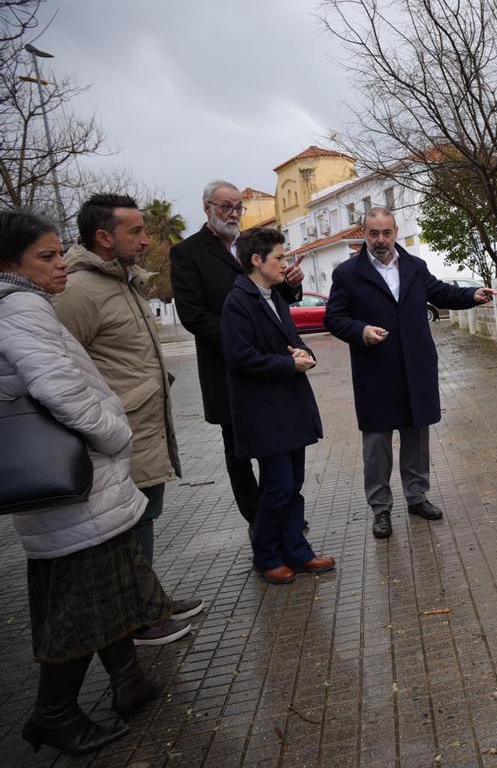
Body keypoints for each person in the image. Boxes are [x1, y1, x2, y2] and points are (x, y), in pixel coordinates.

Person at [0, 211, 171, 756]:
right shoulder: (21, 308)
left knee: (111, 585)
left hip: (80, 489)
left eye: (59, 252)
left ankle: (128, 680)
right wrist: (115, 433)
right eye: (46, 257)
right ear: (10, 264)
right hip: (75, 486)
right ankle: (54, 714)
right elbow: (61, 389)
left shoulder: (24, 305)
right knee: (80, 603)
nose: (61, 265)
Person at [54, 194, 203, 645]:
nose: (145, 240)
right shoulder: (79, 291)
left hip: (144, 426)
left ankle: (146, 600)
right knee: (129, 521)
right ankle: (137, 617)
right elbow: (61, 368)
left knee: (144, 513)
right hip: (115, 432)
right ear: (104, 237)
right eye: (135, 231)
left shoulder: (122, 280)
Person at [324, 207, 496, 538]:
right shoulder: (347, 273)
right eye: (374, 233)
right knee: (377, 445)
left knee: (417, 438)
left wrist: (472, 295)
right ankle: (381, 509)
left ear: (396, 232)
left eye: (386, 233)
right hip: (375, 372)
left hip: (416, 368)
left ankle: (417, 498)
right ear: (364, 234)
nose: (380, 240)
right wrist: (361, 331)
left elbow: (442, 292)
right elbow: (334, 317)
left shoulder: (415, 266)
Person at [170, 180, 305, 533]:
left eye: (238, 207)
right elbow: (192, 315)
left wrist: (291, 283)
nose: (233, 213)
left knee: (278, 444)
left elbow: (275, 296)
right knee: (239, 452)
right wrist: (241, 338)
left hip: (270, 368)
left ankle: (282, 514)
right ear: (207, 208)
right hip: (226, 371)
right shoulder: (187, 253)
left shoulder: (251, 246)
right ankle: (258, 521)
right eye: (226, 206)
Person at [220, 228, 332, 584]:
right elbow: (240, 357)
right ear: (257, 260)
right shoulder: (238, 302)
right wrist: (288, 364)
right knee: (278, 486)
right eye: (279, 257)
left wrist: (305, 354)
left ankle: (297, 551)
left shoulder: (275, 297)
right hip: (265, 412)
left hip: (290, 407)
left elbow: (293, 341)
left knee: (293, 483)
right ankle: (266, 555)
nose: (286, 264)